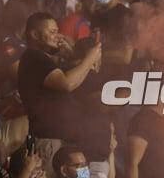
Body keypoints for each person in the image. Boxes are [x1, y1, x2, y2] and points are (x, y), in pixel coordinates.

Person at [17, 11, 101, 142]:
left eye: (57, 32)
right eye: (52, 32)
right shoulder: (34, 58)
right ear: (34, 34)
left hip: (59, 138)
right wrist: (90, 58)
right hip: (48, 138)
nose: (58, 36)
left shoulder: (41, 58)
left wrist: (72, 56)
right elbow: (67, 84)